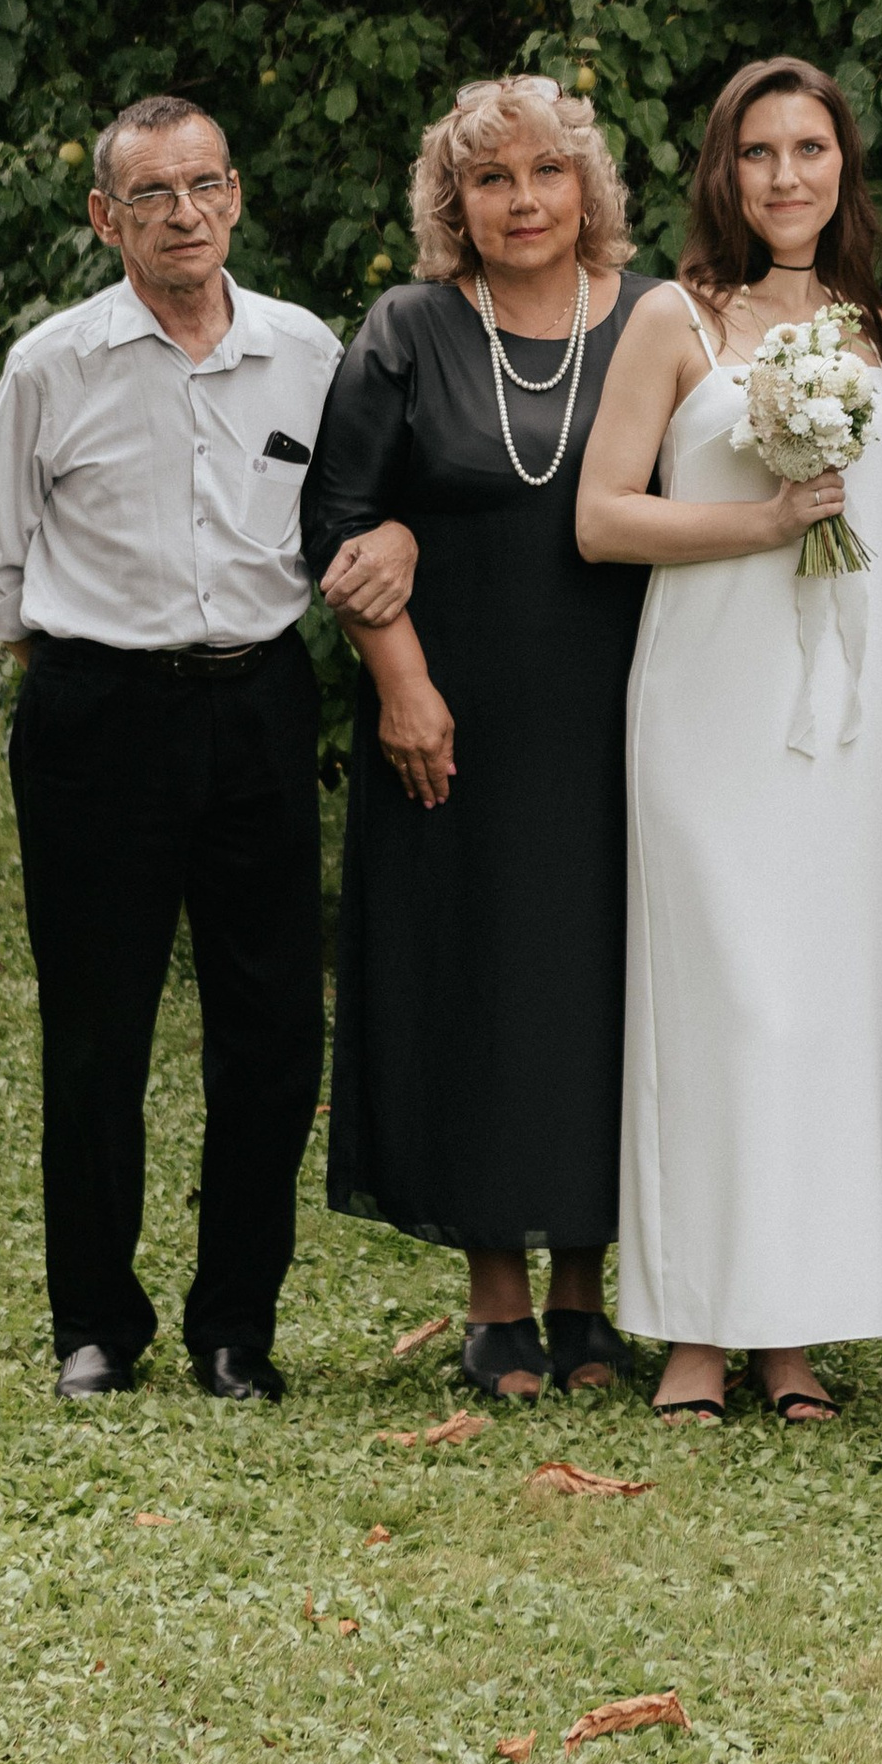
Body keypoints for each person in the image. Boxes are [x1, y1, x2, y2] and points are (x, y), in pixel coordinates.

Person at [0, 95, 342, 1404]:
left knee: (273, 1032)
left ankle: (234, 1329)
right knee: (97, 1031)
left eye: (205, 185)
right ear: (104, 217)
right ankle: (95, 1328)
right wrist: (77, 675)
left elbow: (344, 510)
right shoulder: (52, 365)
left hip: (258, 704)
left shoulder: (303, 350)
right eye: (152, 194)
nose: (185, 214)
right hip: (98, 715)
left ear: (235, 195)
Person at [300, 77, 654, 1401]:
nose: (523, 200)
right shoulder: (408, 328)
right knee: (479, 986)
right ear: (453, 204)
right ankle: (497, 1300)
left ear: (587, 186)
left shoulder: (657, 318)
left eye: (547, 171)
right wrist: (401, 683)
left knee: (601, 987)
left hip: (624, 709)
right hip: (449, 719)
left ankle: (586, 1296)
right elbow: (339, 517)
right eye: (490, 179)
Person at [576, 58, 882, 1424]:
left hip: (839, 718)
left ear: (844, 168)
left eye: (811, 149)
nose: (787, 176)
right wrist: (762, 522)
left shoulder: (877, 321)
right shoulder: (675, 316)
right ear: (724, 171)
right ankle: (694, 1334)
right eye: (759, 151)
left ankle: (794, 1334)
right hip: (709, 700)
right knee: (715, 1005)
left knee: (820, 1012)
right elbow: (603, 518)